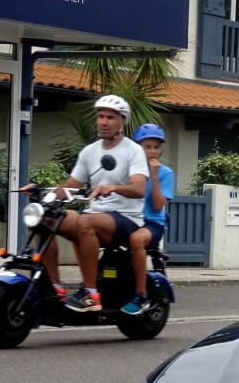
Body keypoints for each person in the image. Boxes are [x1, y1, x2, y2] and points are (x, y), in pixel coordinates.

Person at [23, 94, 148, 312]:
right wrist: (43, 196)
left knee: (85, 222)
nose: (104, 122)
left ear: (122, 121)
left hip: (126, 218)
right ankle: (54, 287)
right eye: (100, 116)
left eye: (110, 117)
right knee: (45, 219)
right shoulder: (90, 151)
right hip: (96, 215)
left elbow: (139, 189)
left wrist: (113, 187)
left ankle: (91, 295)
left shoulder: (133, 151)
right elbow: (70, 185)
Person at [121, 124, 173, 315]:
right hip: (129, 219)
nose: (152, 151)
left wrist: (154, 176)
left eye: (155, 147)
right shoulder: (129, 172)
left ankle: (140, 294)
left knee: (136, 240)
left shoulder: (165, 173)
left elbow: (159, 206)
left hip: (152, 224)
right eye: (147, 146)